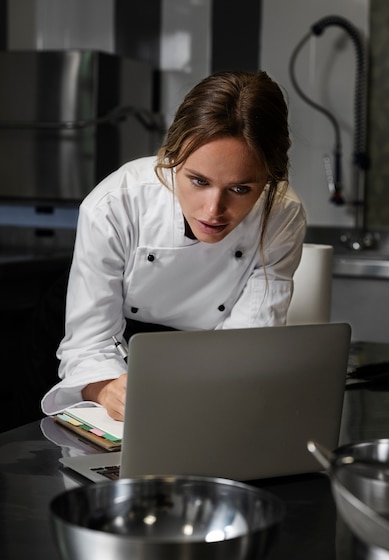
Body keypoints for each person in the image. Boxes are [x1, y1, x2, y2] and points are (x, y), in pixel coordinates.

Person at [41, 70, 306, 421]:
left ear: (270, 179)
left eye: (241, 189)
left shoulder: (282, 215)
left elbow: (247, 346)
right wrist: (104, 388)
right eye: (198, 181)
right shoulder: (115, 204)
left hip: (202, 352)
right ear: (171, 156)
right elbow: (88, 343)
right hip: (95, 338)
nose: (213, 210)